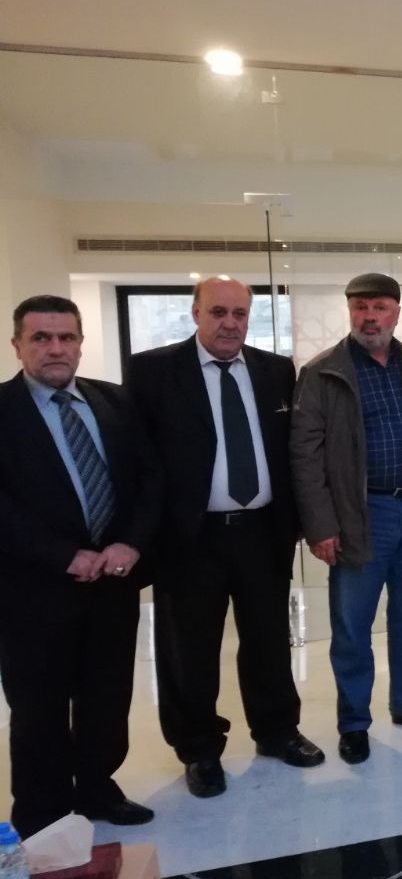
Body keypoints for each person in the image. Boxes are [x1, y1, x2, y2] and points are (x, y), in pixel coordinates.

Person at [126, 277, 323, 799]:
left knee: (268, 640)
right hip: (190, 538)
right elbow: (138, 461)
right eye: (218, 312)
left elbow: (289, 451)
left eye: (240, 313)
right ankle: (199, 749)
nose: (230, 323)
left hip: (262, 532)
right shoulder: (153, 371)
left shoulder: (275, 370)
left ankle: (277, 730)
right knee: (188, 651)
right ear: (195, 313)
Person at [0, 295, 161, 837]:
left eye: (66, 337)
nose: (55, 348)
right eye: (41, 338)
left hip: (113, 583)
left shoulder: (113, 401)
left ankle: (97, 788)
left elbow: (149, 480)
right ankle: (43, 813)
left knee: (106, 697)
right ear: (17, 344)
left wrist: (130, 544)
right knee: (38, 707)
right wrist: (63, 555)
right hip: (33, 590)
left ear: (80, 343)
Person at [291, 273, 402, 766]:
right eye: (360, 307)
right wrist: (321, 525)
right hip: (360, 515)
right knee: (352, 626)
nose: (370, 317)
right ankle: (354, 723)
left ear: (397, 313)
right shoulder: (322, 372)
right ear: (349, 311)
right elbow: (304, 455)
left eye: (379, 307)